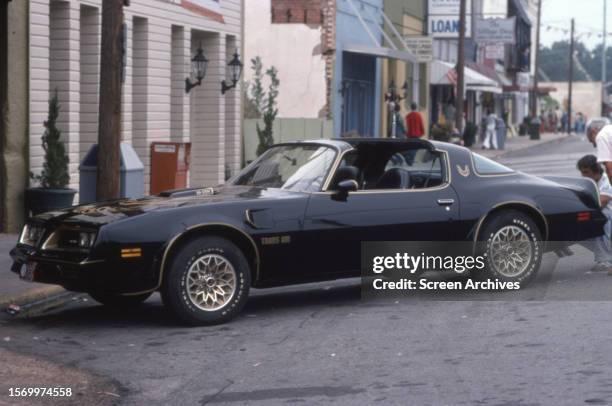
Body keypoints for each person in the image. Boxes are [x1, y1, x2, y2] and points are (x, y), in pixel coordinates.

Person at [576, 155, 612, 272]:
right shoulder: (589, 183)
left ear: (596, 171)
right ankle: (604, 255)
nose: (583, 176)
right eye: (582, 172)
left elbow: (599, 204)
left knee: (600, 217)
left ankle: (605, 260)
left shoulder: (606, 182)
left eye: (586, 172)